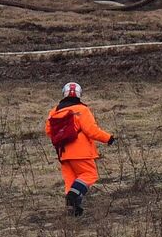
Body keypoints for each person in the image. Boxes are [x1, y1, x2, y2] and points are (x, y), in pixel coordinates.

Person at [43, 82, 115, 216]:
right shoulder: (82, 110)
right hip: (81, 152)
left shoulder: (54, 111)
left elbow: (48, 131)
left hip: (63, 153)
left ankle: (73, 210)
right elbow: (91, 130)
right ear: (79, 94)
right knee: (89, 175)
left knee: (71, 180)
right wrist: (108, 138)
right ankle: (72, 197)